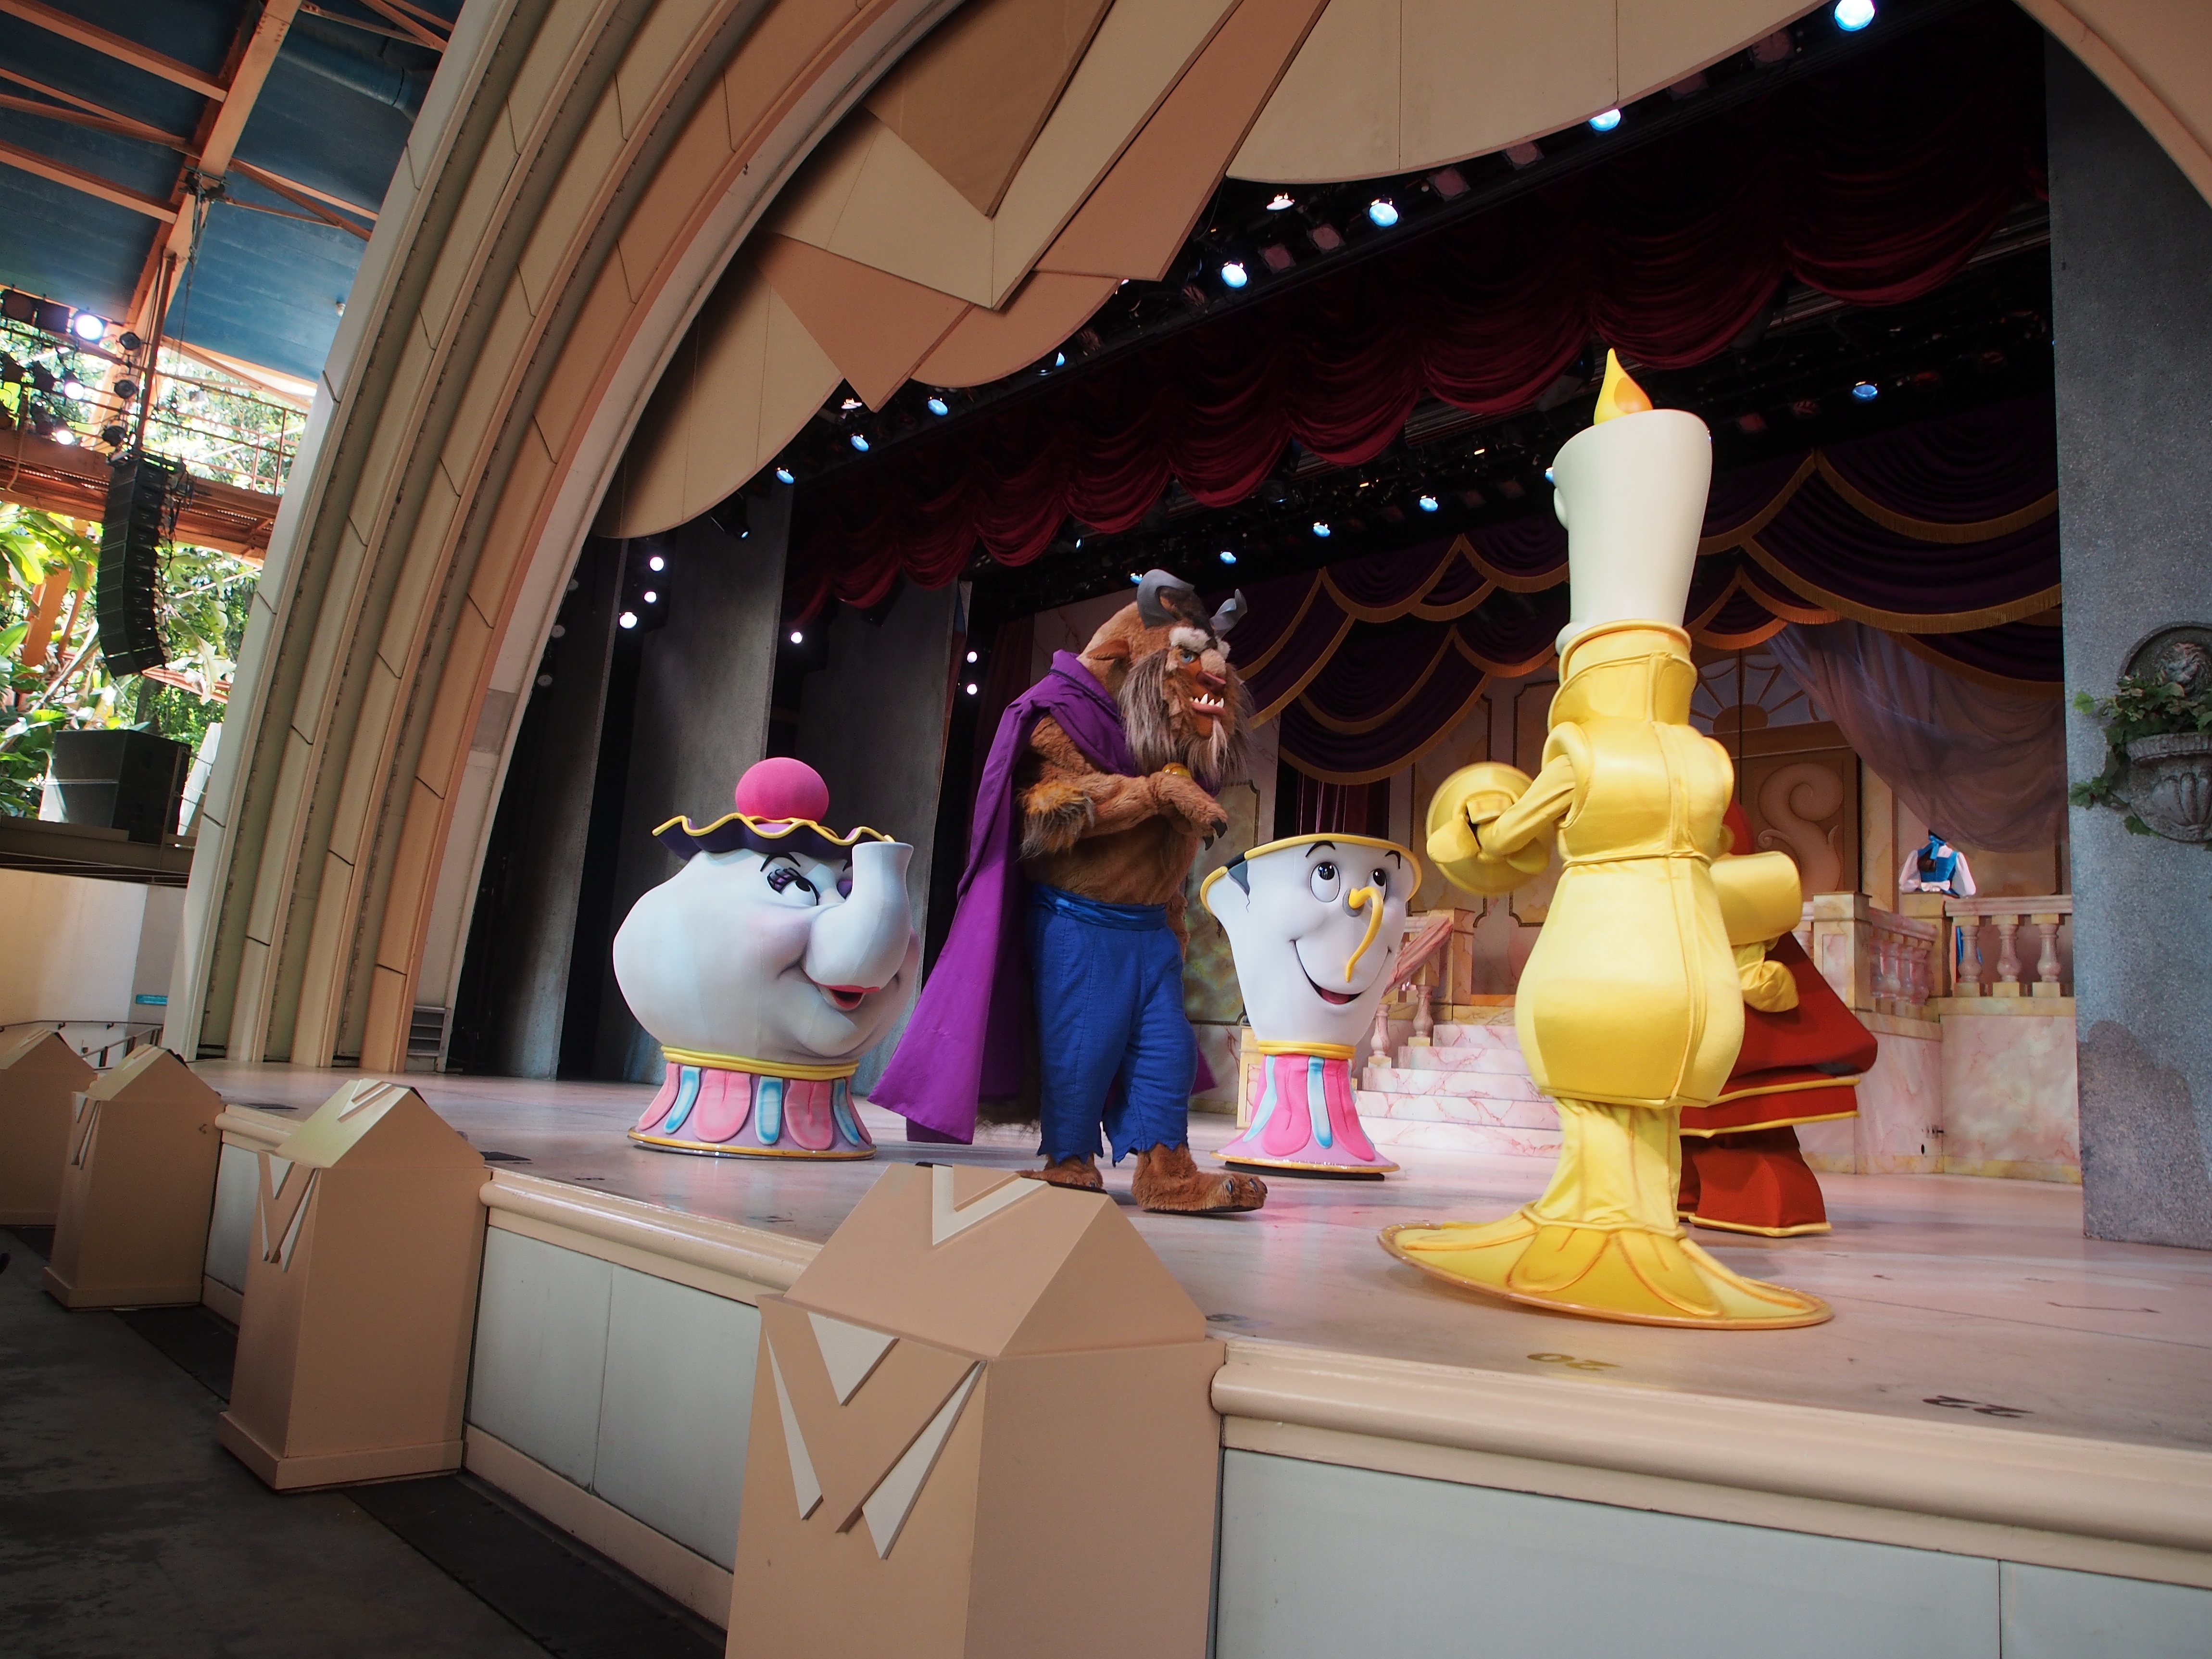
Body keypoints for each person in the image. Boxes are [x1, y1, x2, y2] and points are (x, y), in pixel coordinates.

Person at [1898, 831, 1975, 896]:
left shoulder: (1918, 854)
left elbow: (1904, 884)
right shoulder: (1956, 856)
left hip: (1923, 898)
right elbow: (1968, 890)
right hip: (1945, 896)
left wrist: (1918, 885)